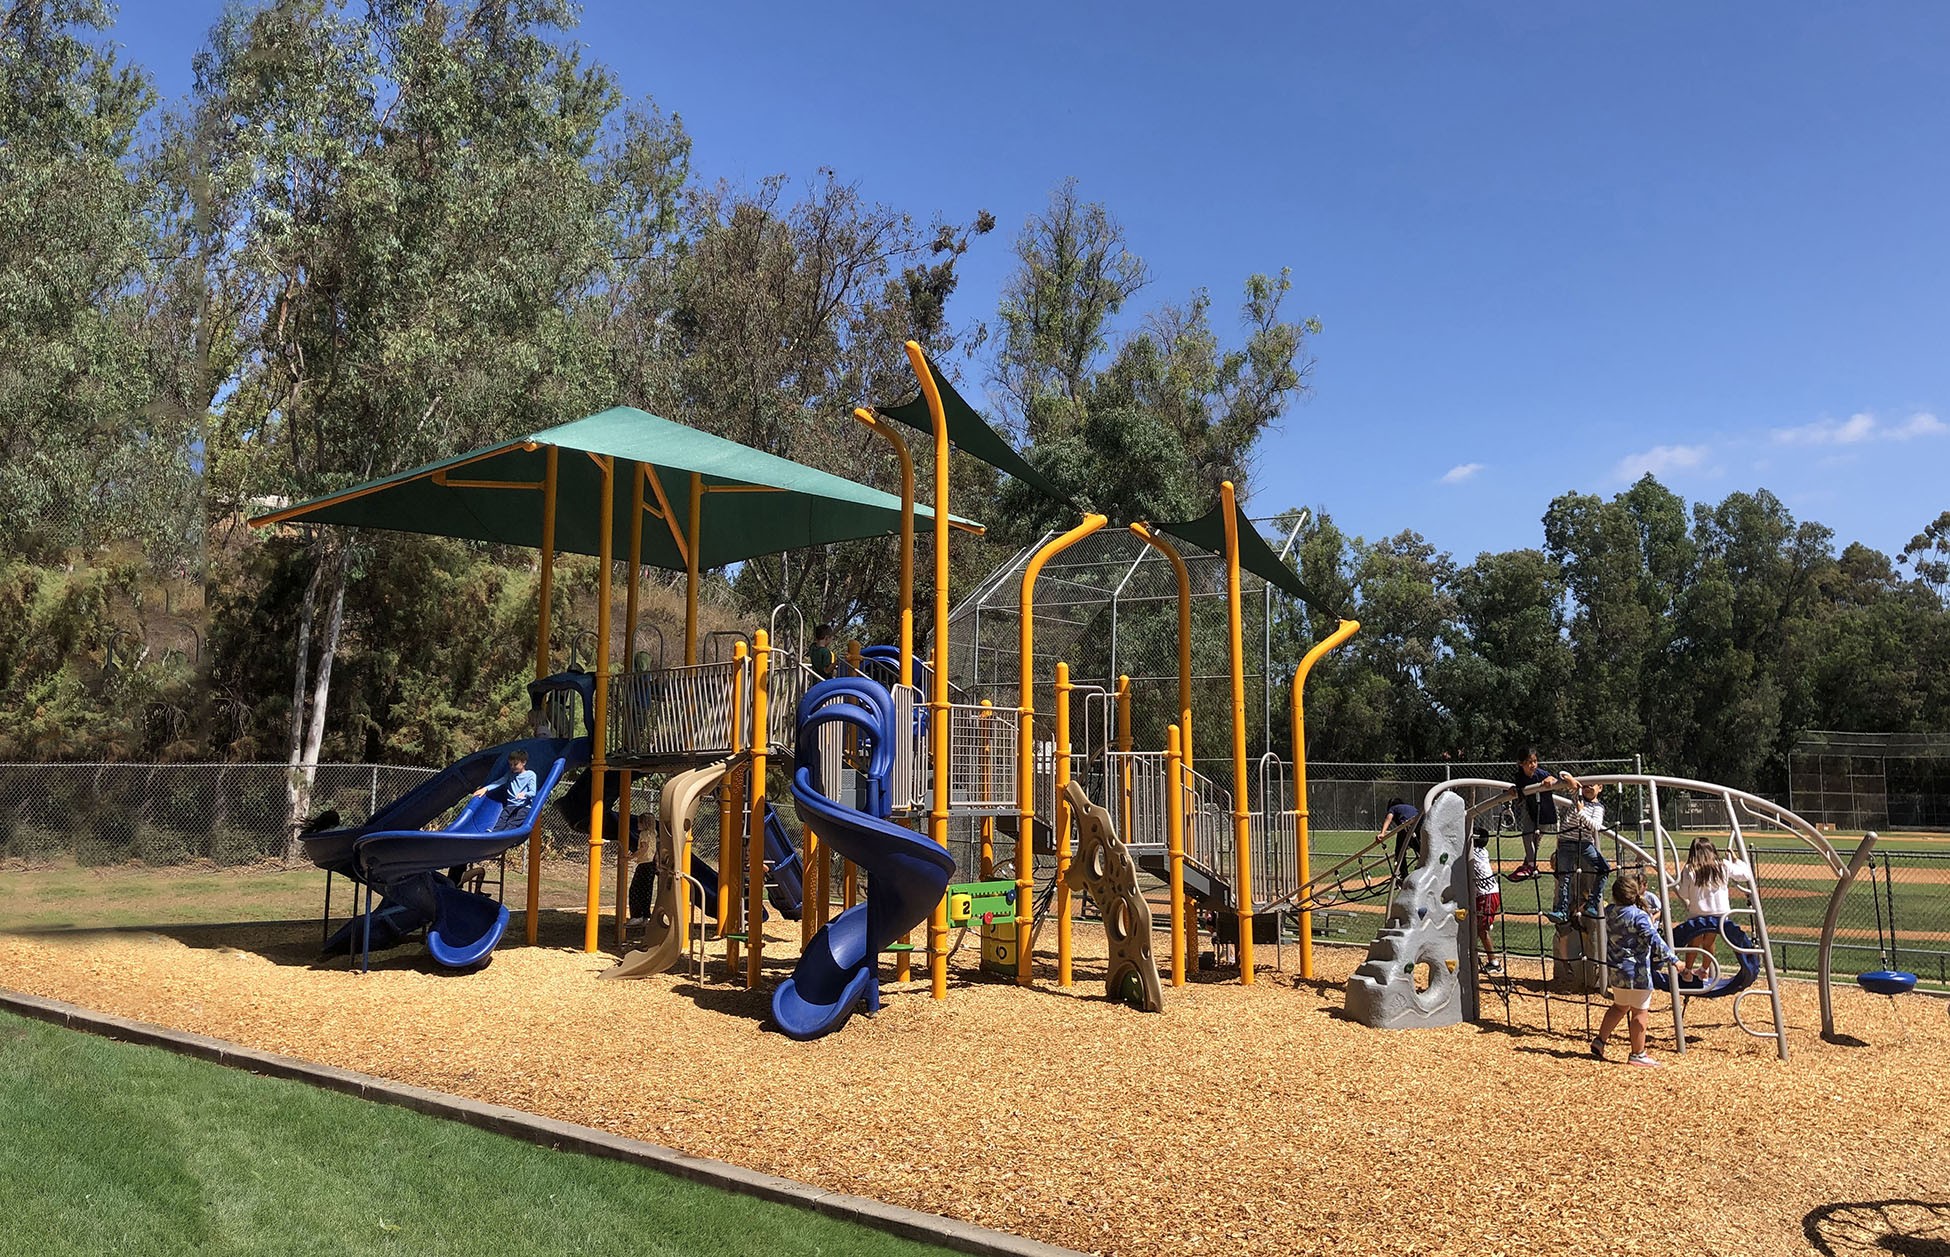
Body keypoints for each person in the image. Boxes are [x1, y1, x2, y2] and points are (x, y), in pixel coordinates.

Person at [1591, 871, 1680, 1067]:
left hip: (1616, 970)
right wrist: (1675, 960)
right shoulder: (1639, 916)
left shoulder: (1610, 912)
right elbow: (1654, 940)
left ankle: (1600, 1040)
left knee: (1619, 1007)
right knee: (1640, 1012)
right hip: (1637, 973)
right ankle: (1637, 1054)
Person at [1673, 837, 1752, 981]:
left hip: (1698, 914)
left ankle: (1688, 971)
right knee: (1709, 941)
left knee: (1694, 943)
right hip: (1720, 915)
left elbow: (1684, 893)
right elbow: (1746, 874)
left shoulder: (1690, 868)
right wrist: (1736, 860)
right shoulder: (1723, 865)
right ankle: (1704, 969)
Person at [1543, 775, 1611, 926]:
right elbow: (1563, 774)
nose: (1587, 788)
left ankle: (1592, 903)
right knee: (1564, 877)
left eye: (1592, 785)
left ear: (1600, 788)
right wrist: (1572, 781)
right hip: (1566, 842)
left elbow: (1595, 826)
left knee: (1604, 869)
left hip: (1585, 844)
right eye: (1585, 785)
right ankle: (1562, 910)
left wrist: (1581, 812)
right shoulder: (1577, 796)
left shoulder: (1598, 808)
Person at [1503, 747, 1558, 881]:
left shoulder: (1540, 774)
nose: (1533, 765)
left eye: (1535, 761)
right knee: (1527, 835)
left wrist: (1549, 780)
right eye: (1529, 762)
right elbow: (1519, 791)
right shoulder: (1519, 777)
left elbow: (1553, 778)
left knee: (1535, 840)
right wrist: (1513, 790)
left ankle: (1527, 865)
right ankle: (1532, 866)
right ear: (1521, 764)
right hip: (1530, 810)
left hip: (1545, 811)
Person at [472, 748, 537, 832]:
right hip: (510, 805)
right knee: (501, 820)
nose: (512, 767)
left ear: (523, 763)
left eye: (515, 764)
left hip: (523, 806)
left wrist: (524, 794)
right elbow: (499, 782)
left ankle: (505, 835)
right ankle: (494, 834)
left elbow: (533, 792)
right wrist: (485, 788)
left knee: (513, 823)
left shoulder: (530, 775)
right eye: (510, 765)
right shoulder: (510, 774)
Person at [1470, 827, 1502, 974]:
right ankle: (1471, 955)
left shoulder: (1473, 853)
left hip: (1487, 894)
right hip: (1484, 894)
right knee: (1476, 927)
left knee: (1481, 929)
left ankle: (1494, 963)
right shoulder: (1481, 851)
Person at [1378, 797, 1421, 875]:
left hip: (1406, 825)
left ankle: (1404, 875)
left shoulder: (1393, 808)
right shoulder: (1409, 807)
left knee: (1399, 852)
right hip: (1420, 824)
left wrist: (1382, 833)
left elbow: (1388, 818)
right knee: (1418, 847)